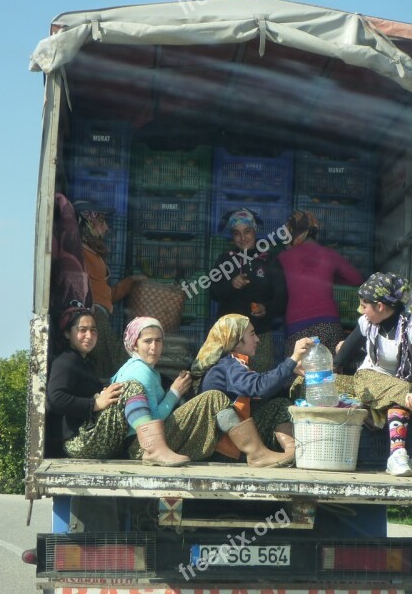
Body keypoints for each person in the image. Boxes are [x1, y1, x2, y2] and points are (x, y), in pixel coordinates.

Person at [113, 317, 291, 468]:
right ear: (134, 344)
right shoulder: (139, 370)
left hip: (150, 444)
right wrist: (174, 393)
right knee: (214, 397)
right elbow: (151, 420)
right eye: (147, 341)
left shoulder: (147, 370)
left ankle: (289, 451)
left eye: (158, 341)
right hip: (143, 446)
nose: (154, 347)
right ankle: (257, 454)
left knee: (278, 405)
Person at [332, 272, 412, 478]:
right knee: (403, 391)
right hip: (370, 377)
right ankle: (396, 455)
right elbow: (341, 358)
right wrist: (324, 372)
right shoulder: (365, 323)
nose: (361, 310)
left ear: (380, 306)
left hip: (404, 380)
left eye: (364, 305)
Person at [191, 314, 312, 467]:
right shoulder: (228, 365)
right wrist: (292, 359)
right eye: (252, 334)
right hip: (227, 448)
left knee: (277, 404)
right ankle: (289, 453)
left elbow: (259, 383)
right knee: (280, 407)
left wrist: (291, 368)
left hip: (228, 443)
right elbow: (259, 387)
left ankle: (292, 451)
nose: (257, 340)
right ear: (236, 340)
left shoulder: (224, 364)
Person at [46, 303, 131, 459]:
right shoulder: (66, 360)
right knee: (131, 388)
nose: (89, 336)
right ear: (67, 333)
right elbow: (55, 399)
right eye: (82, 330)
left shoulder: (85, 361)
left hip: (85, 435)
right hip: (78, 440)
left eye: (93, 330)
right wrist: (96, 404)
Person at [210, 208, 287, 373]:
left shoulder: (269, 260)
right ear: (232, 235)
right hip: (230, 338)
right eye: (237, 233)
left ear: (255, 231)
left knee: (259, 385)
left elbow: (282, 298)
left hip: (259, 336)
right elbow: (213, 293)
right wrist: (231, 285)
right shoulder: (225, 260)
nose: (243, 237)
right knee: (229, 383)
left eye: (247, 231)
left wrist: (266, 308)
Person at [276, 210, 364, 356]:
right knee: (328, 375)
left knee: (298, 374)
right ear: (315, 232)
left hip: (297, 327)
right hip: (328, 324)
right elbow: (356, 279)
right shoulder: (329, 254)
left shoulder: (283, 257)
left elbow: (277, 289)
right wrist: (330, 278)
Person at [74, 200, 144, 380]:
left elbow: (107, 295)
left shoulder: (91, 252)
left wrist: (130, 282)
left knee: (110, 364)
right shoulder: (79, 253)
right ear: (89, 222)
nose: (106, 228)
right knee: (118, 363)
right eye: (102, 222)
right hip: (93, 315)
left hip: (100, 314)